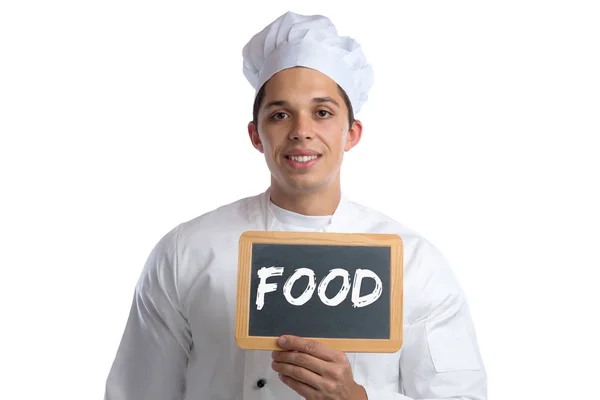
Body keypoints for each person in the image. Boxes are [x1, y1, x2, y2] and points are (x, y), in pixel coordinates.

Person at [104, 10, 487, 400]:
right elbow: (137, 393)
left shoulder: (413, 264)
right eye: (280, 114)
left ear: (350, 133)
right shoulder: (186, 251)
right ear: (256, 135)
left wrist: (357, 398)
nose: (301, 131)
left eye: (322, 113)